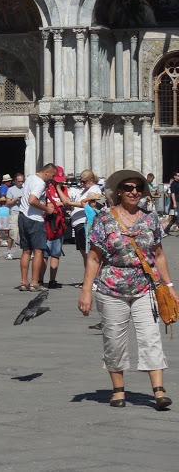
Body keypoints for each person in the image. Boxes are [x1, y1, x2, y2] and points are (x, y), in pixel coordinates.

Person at [79, 170, 178, 410]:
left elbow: (158, 254)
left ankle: (158, 390)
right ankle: (118, 390)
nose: (134, 192)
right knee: (114, 341)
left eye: (138, 188)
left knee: (151, 337)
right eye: (129, 188)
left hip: (146, 286)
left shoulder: (150, 218)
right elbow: (94, 258)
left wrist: (170, 286)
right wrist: (86, 291)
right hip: (111, 287)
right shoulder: (104, 219)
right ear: (119, 192)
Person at [18, 164, 57, 292]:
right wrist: (47, 209)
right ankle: (35, 282)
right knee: (38, 251)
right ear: (47, 173)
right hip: (34, 219)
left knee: (26, 251)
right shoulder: (40, 183)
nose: (52, 178)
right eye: (52, 175)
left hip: (23, 216)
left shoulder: (30, 178)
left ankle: (24, 282)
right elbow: (32, 200)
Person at [65, 169, 102, 268]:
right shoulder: (85, 190)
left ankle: (91, 279)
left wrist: (70, 203)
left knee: (88, 253)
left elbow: (89, 204)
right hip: (78, 223)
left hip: (85, 223)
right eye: (80, 181)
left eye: (83, 181)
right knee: (84, 253)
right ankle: (87, 279)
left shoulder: (94, 189)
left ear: (91, 180)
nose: (81, 183)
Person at [41, 166, 70, 289]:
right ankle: (40, 279)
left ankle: (52, 280)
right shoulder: (45, 188)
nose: (59, 181)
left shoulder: (63, 188)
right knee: (44, 253)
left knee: (56, 253)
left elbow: (67, 202)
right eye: (57, 179)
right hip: (46, 223)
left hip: (59, 224)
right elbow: (44, 204)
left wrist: (58, 188)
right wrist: (55, 204)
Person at [4, 173, 24, 260]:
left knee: (25, 233)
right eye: (19, 181)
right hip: (14, 212)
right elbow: (7, 203)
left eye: (22, 181)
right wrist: (15, 200)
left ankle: (27, 252)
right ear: (15, 181)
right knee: (12, 233)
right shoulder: (11, 190)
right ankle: (9, 252)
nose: (20, 183)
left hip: (24, 213)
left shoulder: (26, 189)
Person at [164, 170, 179, 235]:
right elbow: (172, 194)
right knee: (177, 216)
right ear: (175, 176)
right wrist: (174, 203)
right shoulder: (173, 184)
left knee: (175, 217)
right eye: (178, 175)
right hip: (176, 201)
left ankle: (166, 229)